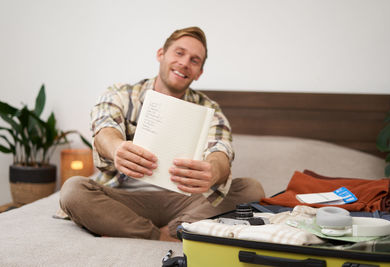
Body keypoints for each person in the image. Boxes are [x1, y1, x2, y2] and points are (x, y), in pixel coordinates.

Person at [60, 26, 265, 241]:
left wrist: (213, 171)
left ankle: (152, 229)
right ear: (161, 54)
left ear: (199, 73)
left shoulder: (210, 110)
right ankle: (164, 236)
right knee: (73, 190)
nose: (185, 63)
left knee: (251, 190)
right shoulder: (122, 94)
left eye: (194, 60)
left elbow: (221, 151)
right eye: (179, 53)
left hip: (187, 202)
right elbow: (104, 128)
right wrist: (117, 148)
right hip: (125, 198)